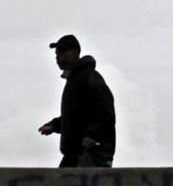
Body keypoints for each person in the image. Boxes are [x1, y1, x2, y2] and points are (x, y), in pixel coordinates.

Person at [38, 34, 116, 167]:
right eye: (56, 54)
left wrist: (92, 135)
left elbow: (105, 113)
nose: (58, 58)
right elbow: (76, 117)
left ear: (74, 53)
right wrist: (55, 125)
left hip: (92, 153)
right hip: (75, 154)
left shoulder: (89, 78)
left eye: (62, 53)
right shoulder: (75, 80)